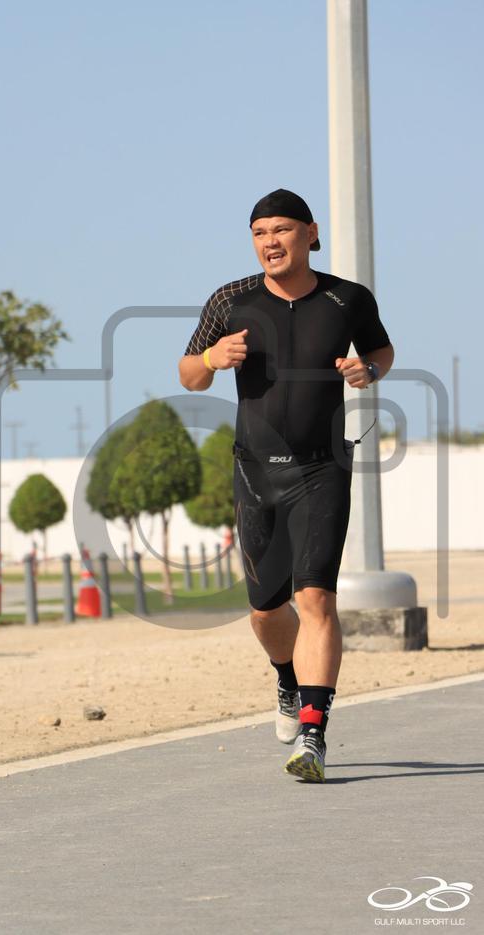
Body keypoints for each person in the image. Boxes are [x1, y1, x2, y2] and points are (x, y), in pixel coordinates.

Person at [178, 188, 394, 782]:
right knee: (265, 610)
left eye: (281, 229)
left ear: (310, 233)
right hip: (255, 472)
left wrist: (369, 369)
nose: (269, 241)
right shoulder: (231, 300)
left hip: (323, 468)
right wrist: (213, 358)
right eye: (259, 233)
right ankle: (286, 679)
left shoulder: (347, 298)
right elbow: (189, 374)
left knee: (316, 599)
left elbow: (380, 349)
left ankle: (313, 737)